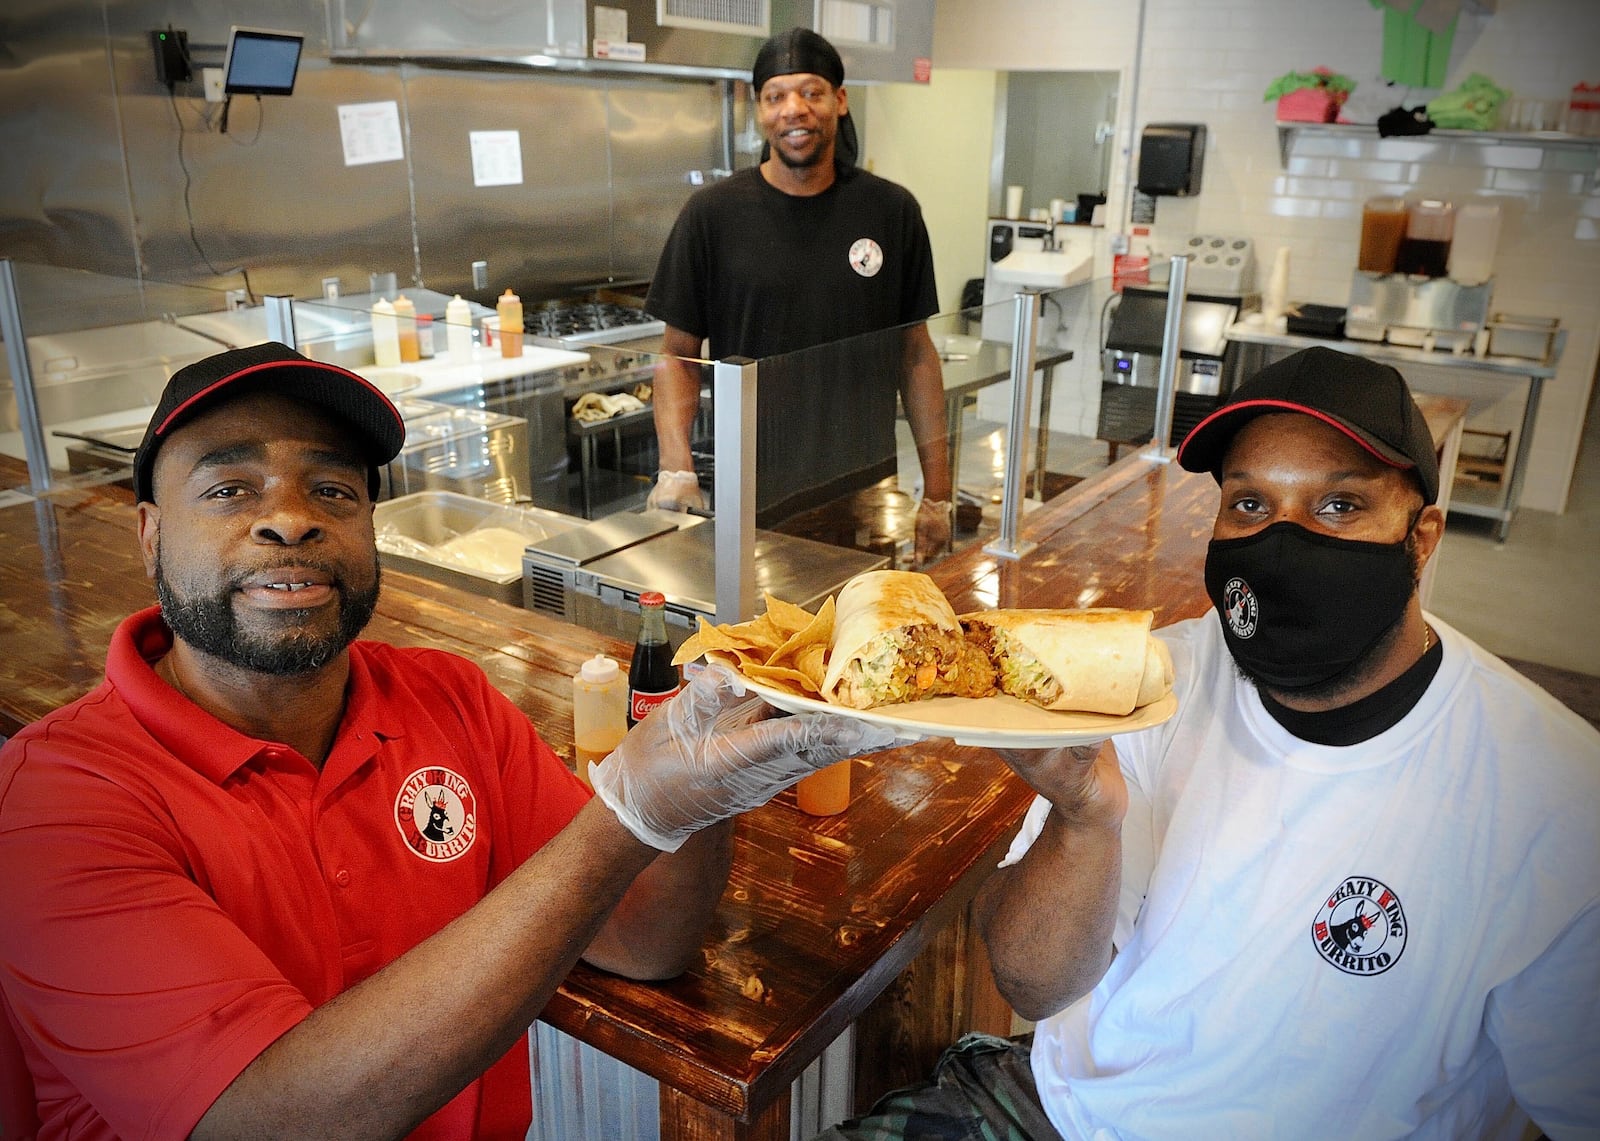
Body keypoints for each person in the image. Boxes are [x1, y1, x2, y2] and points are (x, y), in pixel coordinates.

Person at [0, 342, 897, 1140]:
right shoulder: (53, 801)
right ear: (151, 533)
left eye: (333, 488)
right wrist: (628, 816)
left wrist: (699, 801)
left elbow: (642, 942)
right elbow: (265, 1116)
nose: (291, 518)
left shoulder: (446, 698)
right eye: (230, 489)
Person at [813, 346, 1600, 1140]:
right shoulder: (1159, 681)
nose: (1284, 542)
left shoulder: (1557, 801)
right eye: (1251, 505)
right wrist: (1086, 819)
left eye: (1338, 506)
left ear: (1422, 537)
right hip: (1063, 1112)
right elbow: (1031, 982)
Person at [643, 27, 953, 564]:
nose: (794, 110)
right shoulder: (712, 214)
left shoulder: (891, 211)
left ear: (840, 100)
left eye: (811, 92)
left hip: (866, 490)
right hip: (753, 492)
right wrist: (677, 468)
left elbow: (916, 354)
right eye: (776, 96)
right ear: (759, 110)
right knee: (758, 645)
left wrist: (940, 495)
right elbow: (677, 356)